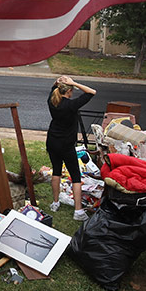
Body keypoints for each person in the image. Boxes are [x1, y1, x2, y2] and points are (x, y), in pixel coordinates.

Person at [46, 75, 97, 221]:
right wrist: (73, 82)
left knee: (56, 170)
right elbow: (92, 92)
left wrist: (59, 81)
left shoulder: (52, 100)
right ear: (69, 91)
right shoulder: (71, 105)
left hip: (52, 141)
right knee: (75, 176)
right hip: (67, 145)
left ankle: (55, 203)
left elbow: (53, 87)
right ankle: (78, 211)